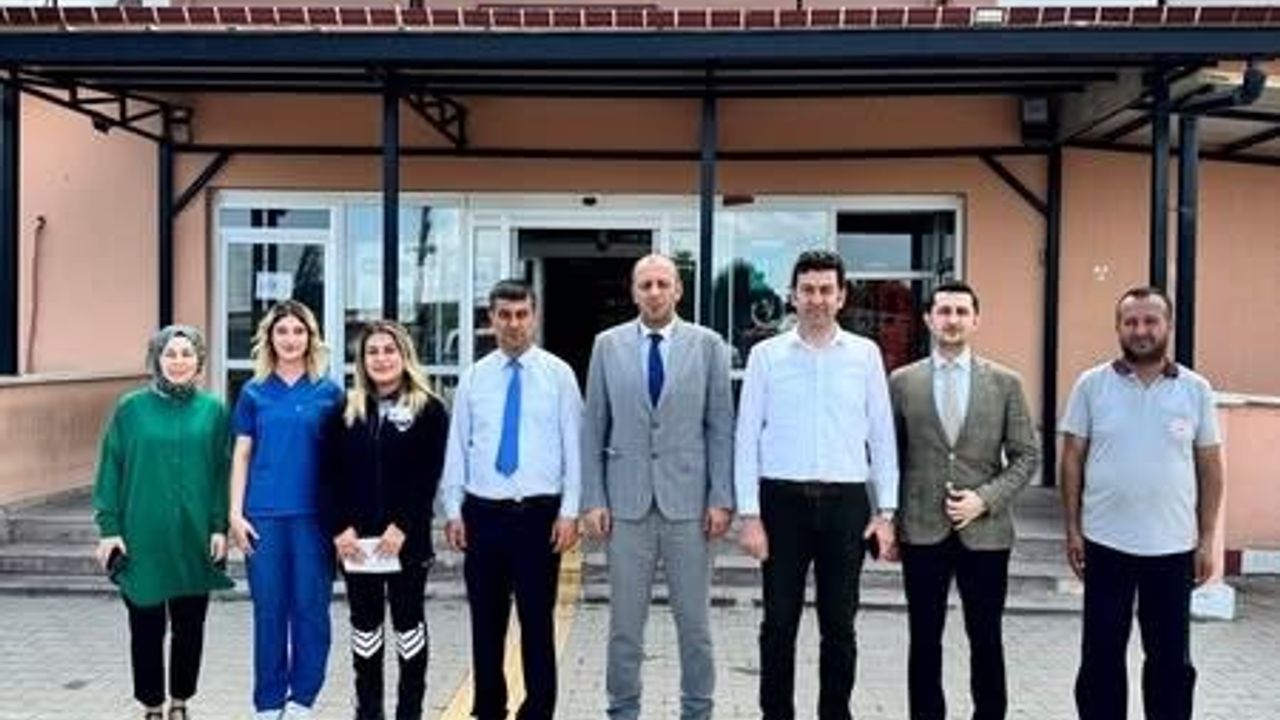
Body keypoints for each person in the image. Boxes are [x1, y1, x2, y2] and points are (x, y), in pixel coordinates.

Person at [734, 248, 899, 720]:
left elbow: (882, 436)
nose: (817, 299)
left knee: (840, 627)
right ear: (793, 295)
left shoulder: (865, 356)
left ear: (842, 296)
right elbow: (746, 437)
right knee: (778, 624)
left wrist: (886, 513)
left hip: (846, 504)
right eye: (807, 290)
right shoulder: (766, 356)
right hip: (781, 503)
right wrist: (750, 516)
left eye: (827, 289)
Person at [580, 254, 734, 720]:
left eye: (662, 284)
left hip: (689, 506)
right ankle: (622, 710)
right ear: (633, 292)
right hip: (626, 506)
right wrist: (593, 498)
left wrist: (721, 497)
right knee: (625, 626)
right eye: (645, 284)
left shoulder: (708, 346)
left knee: (695, 625)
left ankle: (697, 711)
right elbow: (594, 425)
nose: (654, 292)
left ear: (678, 290)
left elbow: (720, 427)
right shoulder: (607, 346)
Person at [1060, 286, 1224, 720]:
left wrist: (1207, 539)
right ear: (1118, 328)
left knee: (1170, 662)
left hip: (1173, 548)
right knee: (1100, 659)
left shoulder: (1196, 390)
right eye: (1130, 321)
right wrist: (1073, 529)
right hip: (1105, 544)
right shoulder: (1091, 385)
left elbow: (1210, 468)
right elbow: (1072, 459)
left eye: (1151, 320)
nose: (1141, 330)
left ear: (1168, 326)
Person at [888, 281, 1039, 720]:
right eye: (944, 311)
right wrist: (890, 520)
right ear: (928, 319)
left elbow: (1027, 456)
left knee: (986, 637)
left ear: (976, 320)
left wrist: (984, 500)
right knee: (924, 638)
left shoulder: (1006, 383)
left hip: (986, 532)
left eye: (961, 312)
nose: (952, 320)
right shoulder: (902, 382)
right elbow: (890, 456)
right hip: (922, 529)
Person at [440, 279, 582, 720]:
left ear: (534, 317)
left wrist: (570, 512)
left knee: (537, 623)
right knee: (486, 624)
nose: (514, 324)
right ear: (491, 319)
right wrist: (452, 509)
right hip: (483, 516)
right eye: (504, 315)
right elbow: (458, 448)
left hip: (538, 516)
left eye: (522, 315)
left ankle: (538, 710)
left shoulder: (559, 375)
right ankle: (488, 708)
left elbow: (574, 448)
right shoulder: (474, 378)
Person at [92, 324, 235, 720]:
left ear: (199, 361)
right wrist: (109, 528)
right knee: (146, 628)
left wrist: (219, 526)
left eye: (186, 354)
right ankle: (152, 705)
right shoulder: (130, 409)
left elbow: (222, 473)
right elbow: (110, 468)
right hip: (142, 538)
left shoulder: (214, 411)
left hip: (194, 538)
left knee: (190, 628)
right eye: (170, 354)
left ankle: (180, 702)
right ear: (156, 359)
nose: (178, 361)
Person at [326, 320, 449, 720]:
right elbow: (330, 475)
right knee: (365, 630)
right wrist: (340, 528)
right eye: (372, 352)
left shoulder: (429, 409)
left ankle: (409, 712)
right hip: (357, 544)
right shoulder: (344, 410)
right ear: (362, 361)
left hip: (405, 542)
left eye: (389, 350)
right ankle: (369, 711)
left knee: (408, 627)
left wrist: (403, 526)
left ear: (404, 355)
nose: (381, 359)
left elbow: (427, 476)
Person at [228, 300, 345, 720]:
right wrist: (235, 514)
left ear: (311, 338)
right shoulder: (253, 392)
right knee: (269, 612)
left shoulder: (330, 393)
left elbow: (342, 461)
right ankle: (268, 701)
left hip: (315, 518)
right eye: (282, 331)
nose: (291, 339)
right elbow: (242, 454)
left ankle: (302, 699)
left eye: (299, 331)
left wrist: (345, 520)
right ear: (270, 338)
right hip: (264, 516)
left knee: (311, 610)